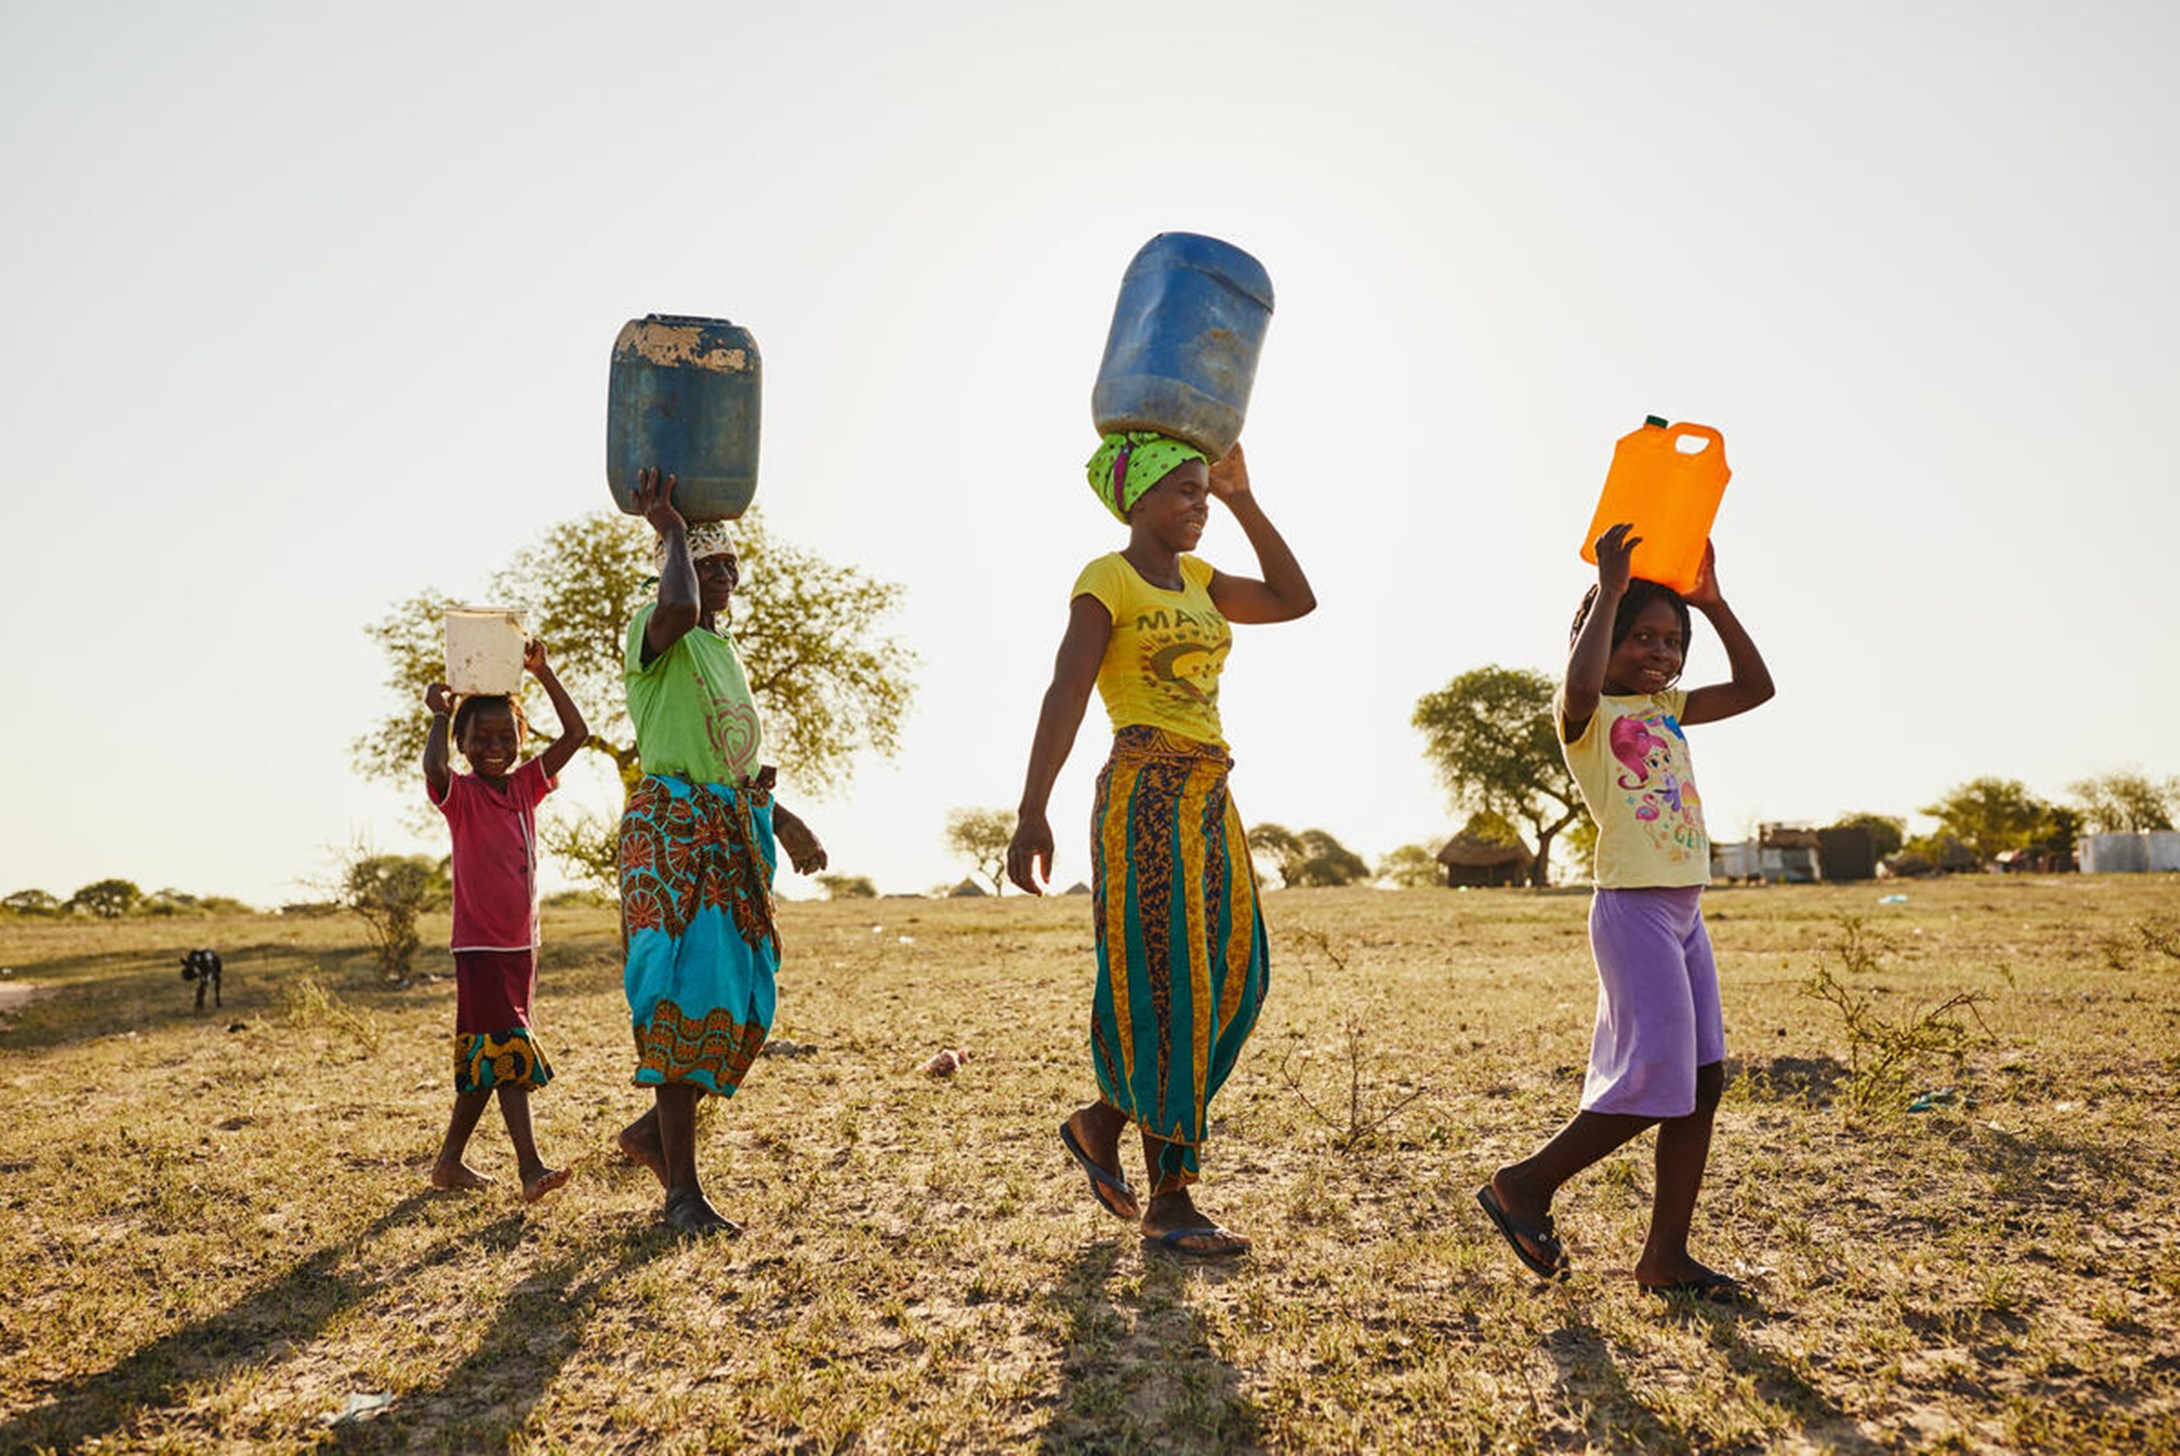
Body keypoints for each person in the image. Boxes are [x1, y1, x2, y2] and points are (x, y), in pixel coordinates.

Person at [1007, 433, 1315, 1258]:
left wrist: (1245, 496)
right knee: (1169, 981)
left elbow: (1296, 599)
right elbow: (1066, 691)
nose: (1199, 507)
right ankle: (1171, 1199)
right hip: (1143, 788)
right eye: (1186, 492)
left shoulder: (1205, 582)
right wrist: (1032, 810)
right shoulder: (1106, 578)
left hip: (1212, 793)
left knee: (1238, 977)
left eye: (1204, 494)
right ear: (1137, 500)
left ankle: (1102, 1119)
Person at [1478, 522, 1773, 1297]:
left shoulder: (1669, 708)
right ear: (1599, 639)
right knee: (1657, 1079)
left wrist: (1712, 602)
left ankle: (1665, 1257)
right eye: (1641, 637)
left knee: (1703, 1082)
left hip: (1685, 914)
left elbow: (1756, 689)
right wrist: (1610, 587)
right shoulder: (1588, 714)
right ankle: (1524, 1185)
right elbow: (1579, 685)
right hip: (1632, 910)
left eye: (1673, 641)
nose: (1661, 652)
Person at [614, 469, 829, 1236]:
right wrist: (669, 525)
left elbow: (731, 764)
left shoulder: (720, 650)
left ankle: (652, 1135)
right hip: (674, 842)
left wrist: (784, 821)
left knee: (741, 1005)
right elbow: (676, 602)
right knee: (680, 1005)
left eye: (730, 563)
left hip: (730, 833)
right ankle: (682, 1195)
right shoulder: (654, 632)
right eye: (709, 565)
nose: (724, 576)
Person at [422, 638, 589, 1202]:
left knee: (487, 1053)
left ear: (521, 740)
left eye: (506, 736)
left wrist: (543, 674)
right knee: (508, 1047)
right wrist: (440, 720)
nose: (494, 746)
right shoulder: (460, 795)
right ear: (463, 744)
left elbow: (576, 735)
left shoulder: (525, 787)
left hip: (522, 946)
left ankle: (448, 1163)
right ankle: (530, 1168)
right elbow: (433, 766)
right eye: (480, 737)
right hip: (480, 947)